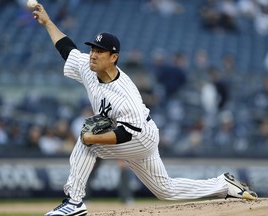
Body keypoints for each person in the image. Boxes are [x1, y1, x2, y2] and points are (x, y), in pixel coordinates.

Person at [32, 3, 258, 216]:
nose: (93, 54)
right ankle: (223, 185)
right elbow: (66, 49)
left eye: (100, 51)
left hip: (139, 136)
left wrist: (92, 138)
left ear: (113, 57)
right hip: (137, 133)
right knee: (164, 190)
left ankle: (74, 202)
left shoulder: (124, 95)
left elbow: (126, 133)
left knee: (87, 143)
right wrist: (47, 22)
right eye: (92, 48)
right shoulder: (88, 67)